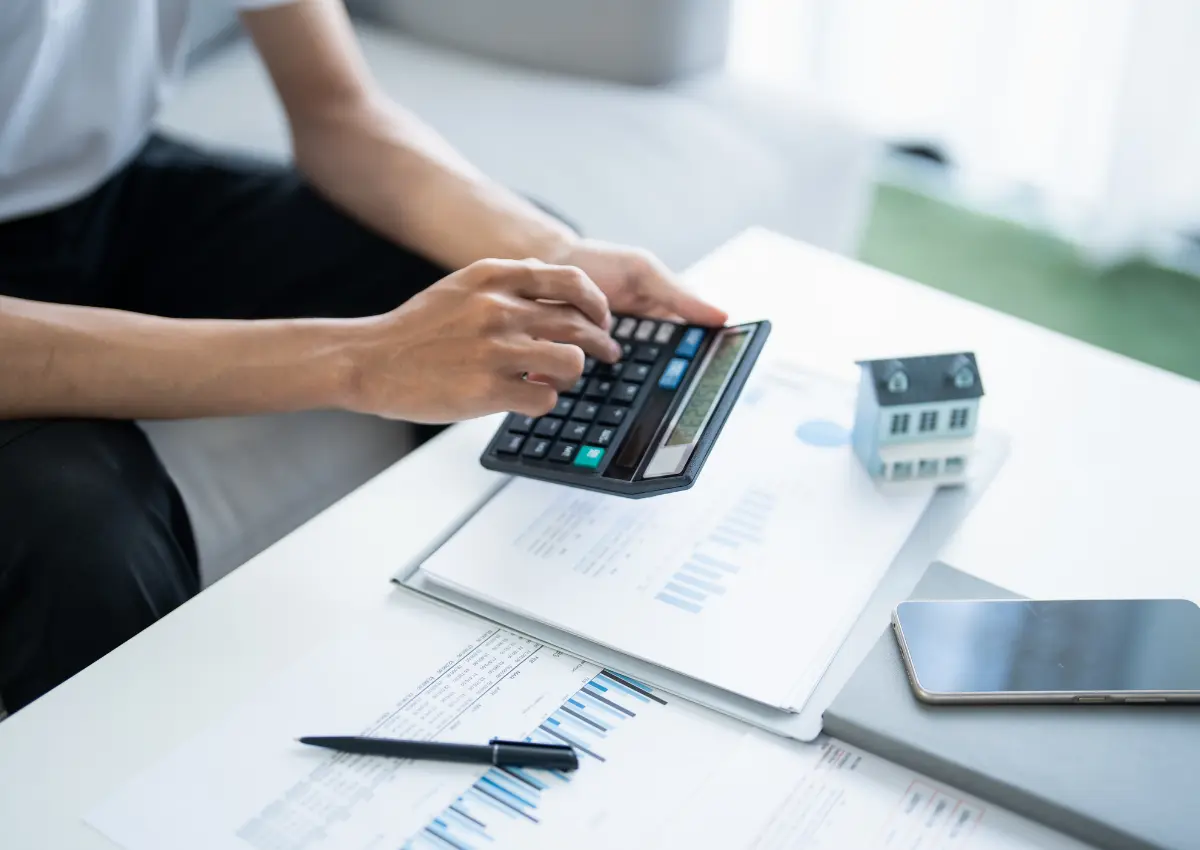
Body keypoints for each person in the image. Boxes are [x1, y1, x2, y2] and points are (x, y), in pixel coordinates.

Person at [0, 0, 726, 715]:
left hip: (107, 186)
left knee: (516, 300)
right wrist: (360, 360)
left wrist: (556, 254)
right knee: (82, 531)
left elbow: (337, 110)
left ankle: (546, 636)